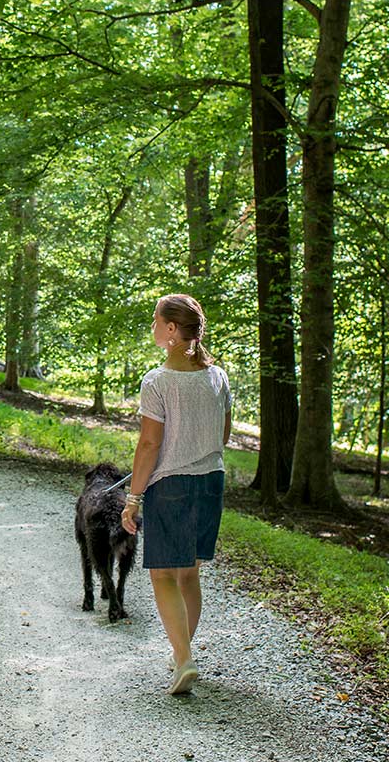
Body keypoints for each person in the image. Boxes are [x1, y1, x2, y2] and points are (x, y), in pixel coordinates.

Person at [121, 293, 232, 696]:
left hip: (172, 486)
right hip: (211, 482)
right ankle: (182, 653)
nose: (152, 327)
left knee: (164, 575)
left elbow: (149, 445)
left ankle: (183, 659)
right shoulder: (217, 377)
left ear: (171, 330)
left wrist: (133, 498)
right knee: (189, 573)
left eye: (156, 321)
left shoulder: (157, 381)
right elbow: (223, 431)